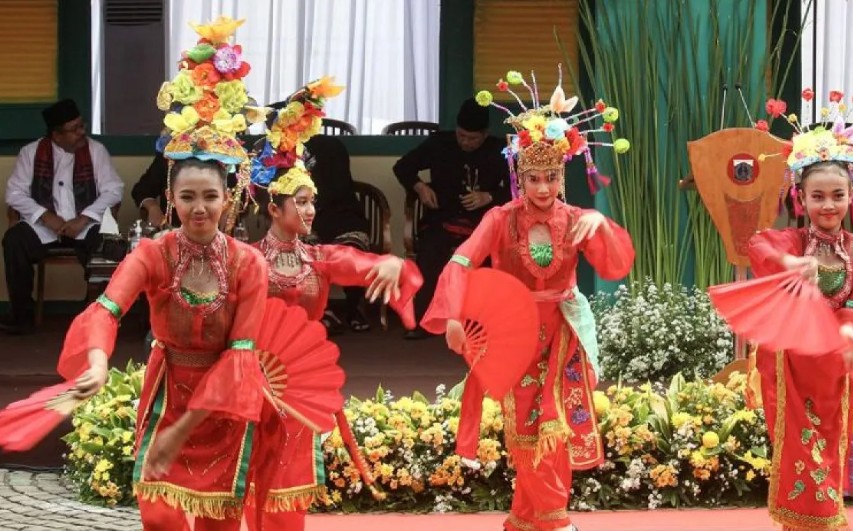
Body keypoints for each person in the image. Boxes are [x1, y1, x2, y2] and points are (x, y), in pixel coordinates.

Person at [58, 16, 274, 530]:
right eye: (187, 197)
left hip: (225, 403)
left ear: (230, 200)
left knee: (220, 522)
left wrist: (184, 431)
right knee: (162, 521)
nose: (199, 209)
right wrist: (97, 360)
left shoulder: (249, 264)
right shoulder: (154, 254)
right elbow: (107, 310)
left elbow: (239, 359)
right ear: (170, 201)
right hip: (168, 392)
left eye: (210, 197)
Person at [421, 71, 634, 531]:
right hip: (515, 335)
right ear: (519, 175)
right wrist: (454, 315)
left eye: (551, 177)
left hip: (563, 330)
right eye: (533, 177)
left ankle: (552, 522)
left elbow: (615, 266)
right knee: (526, 429)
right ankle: (527, 519)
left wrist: (602, 225)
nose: (542, 188)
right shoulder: (500, 219)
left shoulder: (578, 218)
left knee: (553, 424)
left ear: (563, 175)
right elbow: (461, 262)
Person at [243, 80, 422, 530]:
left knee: (290, 478)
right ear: (273, 208)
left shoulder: (318, 258)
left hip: (297, 382)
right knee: (249, 475)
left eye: (313, 202)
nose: (310, 211)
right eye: (300, 203)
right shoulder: (245, 259)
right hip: (248, 378)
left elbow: (359, 264)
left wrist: (392, 266)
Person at [747, 93, 853, 531]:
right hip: (788, 365)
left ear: (850, 196)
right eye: (818, 197)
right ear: (800, 199)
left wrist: (851, 332)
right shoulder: (789, 243)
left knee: (827, 446)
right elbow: (758, 247)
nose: (829, 206)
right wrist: (789, 264)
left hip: (833, 368)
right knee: (797, 450)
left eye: (837, 196)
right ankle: (818, 524)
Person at [2, 98, 124, 334]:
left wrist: (85, 218)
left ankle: (94, 314)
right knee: (14, 241)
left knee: (105, 243)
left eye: (82, 125)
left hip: (86, 225)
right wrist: (45, 216)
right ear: (56, 135)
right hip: (44, 227)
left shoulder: (95, 150)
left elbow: (113, 190)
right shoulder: (31, 152)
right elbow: (14, 194)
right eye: (75, 129)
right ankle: (21, 316)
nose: (82, 132)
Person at [393, 97, 511, 339]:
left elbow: (517, 186)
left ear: (485, 134)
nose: (465, 142)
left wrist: (489, 196)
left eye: (472, 138)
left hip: (482, 223)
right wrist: (419, 187)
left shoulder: (499, 149)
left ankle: (481, 323)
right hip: (442, 217)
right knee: (430, 253)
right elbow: (403, 166)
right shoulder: (440, 143)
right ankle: (423, 321)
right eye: (461, 136)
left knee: (488, 258)